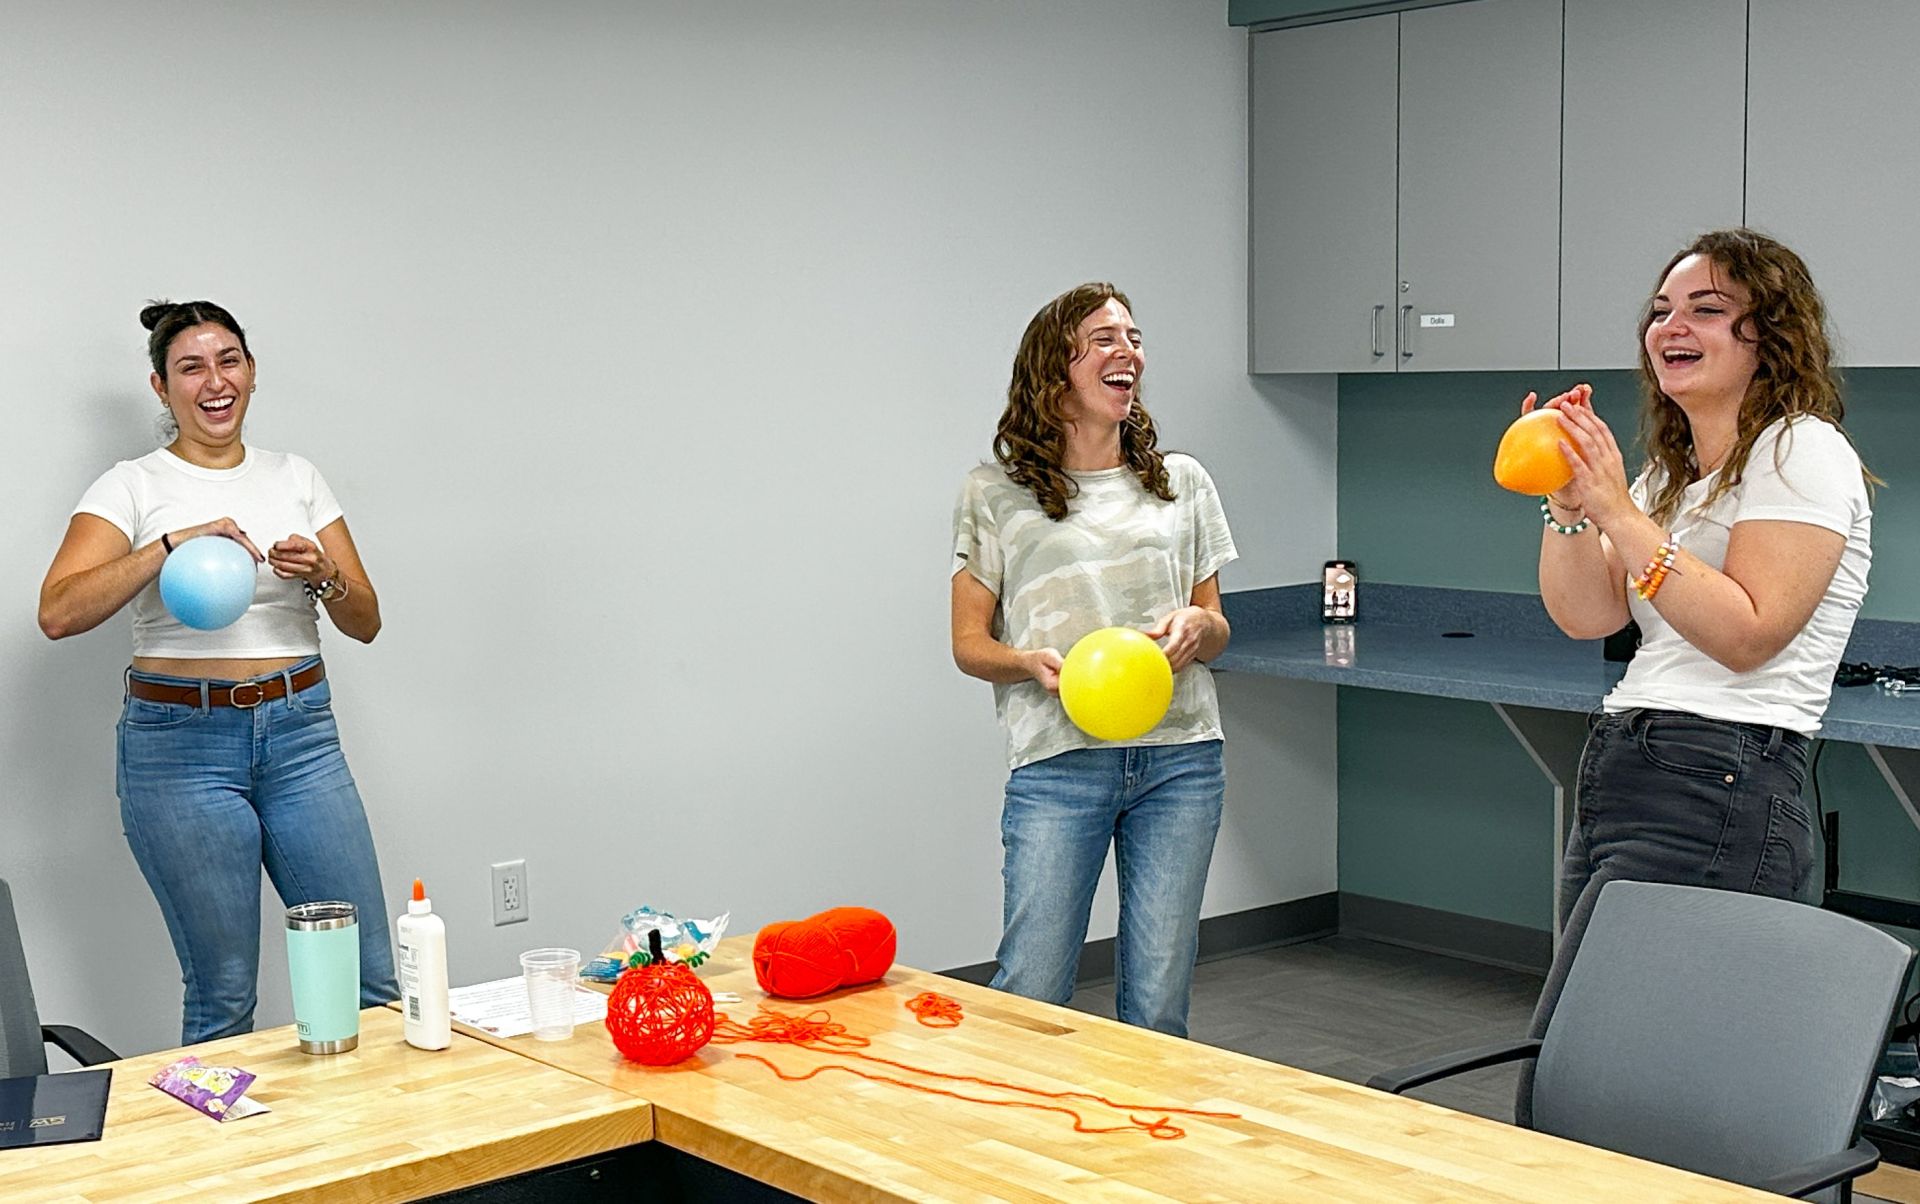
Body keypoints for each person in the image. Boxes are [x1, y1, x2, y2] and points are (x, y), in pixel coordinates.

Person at [1517, 229, 1873, 1122]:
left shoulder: (1801, 451)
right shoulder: (1673, 477)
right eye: (1663, 310)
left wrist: (1615, 510)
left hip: (1724, 776)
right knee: (1577, 1068)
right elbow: (1586, 615)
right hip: (1628, 765)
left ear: (1771, 335)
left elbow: (1748, 634)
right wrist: (1570, 507)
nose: (1672, 324)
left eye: (1708, 309)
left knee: (1651, 1086)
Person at [38, 300, 399, 1045]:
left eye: (227, 360)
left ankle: (382, 1155)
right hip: (180, 749)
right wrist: (169, 544)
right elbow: (60, 611)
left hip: (301, 738)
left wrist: (326, 574)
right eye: (190, 367)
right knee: (224, 992)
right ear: (160, 387)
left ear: (253, 372)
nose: (214, 381)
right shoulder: (132, 485)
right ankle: (233, 1162)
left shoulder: (295, 476)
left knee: (368, 981)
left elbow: (364, 621)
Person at [950, 282, 1238, 1037]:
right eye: (1105, 339)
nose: (1129, 353)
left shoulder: (1182, 483)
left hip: (1181, 759)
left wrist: (1194, 630)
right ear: (1056, 368)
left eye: (1135, 339)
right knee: (1033, 990)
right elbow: (969, 645)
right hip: (1059, 760)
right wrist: (1031, 663)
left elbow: (1217, 624)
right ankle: (1018, 1150)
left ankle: (1143, 1152)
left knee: (1157, 999)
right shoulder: (995, 493)